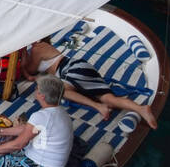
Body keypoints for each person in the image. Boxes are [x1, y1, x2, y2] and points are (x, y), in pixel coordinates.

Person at [20, 37, 156, 128]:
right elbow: (31, 75)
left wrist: (23, 53)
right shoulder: (42, 47)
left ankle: (98, 107)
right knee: (108, 98)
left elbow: (29, 71)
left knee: (61, 91)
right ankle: (141, 109)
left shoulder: (38, 49)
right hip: (78, 67)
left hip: (70, 69)